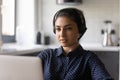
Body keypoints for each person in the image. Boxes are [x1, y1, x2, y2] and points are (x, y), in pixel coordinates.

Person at [38, 7, 113, 80]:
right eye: (58, 29)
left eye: (68, 28)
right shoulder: (47, 55)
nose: (62, 34)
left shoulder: (89, 59)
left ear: (79, 31)